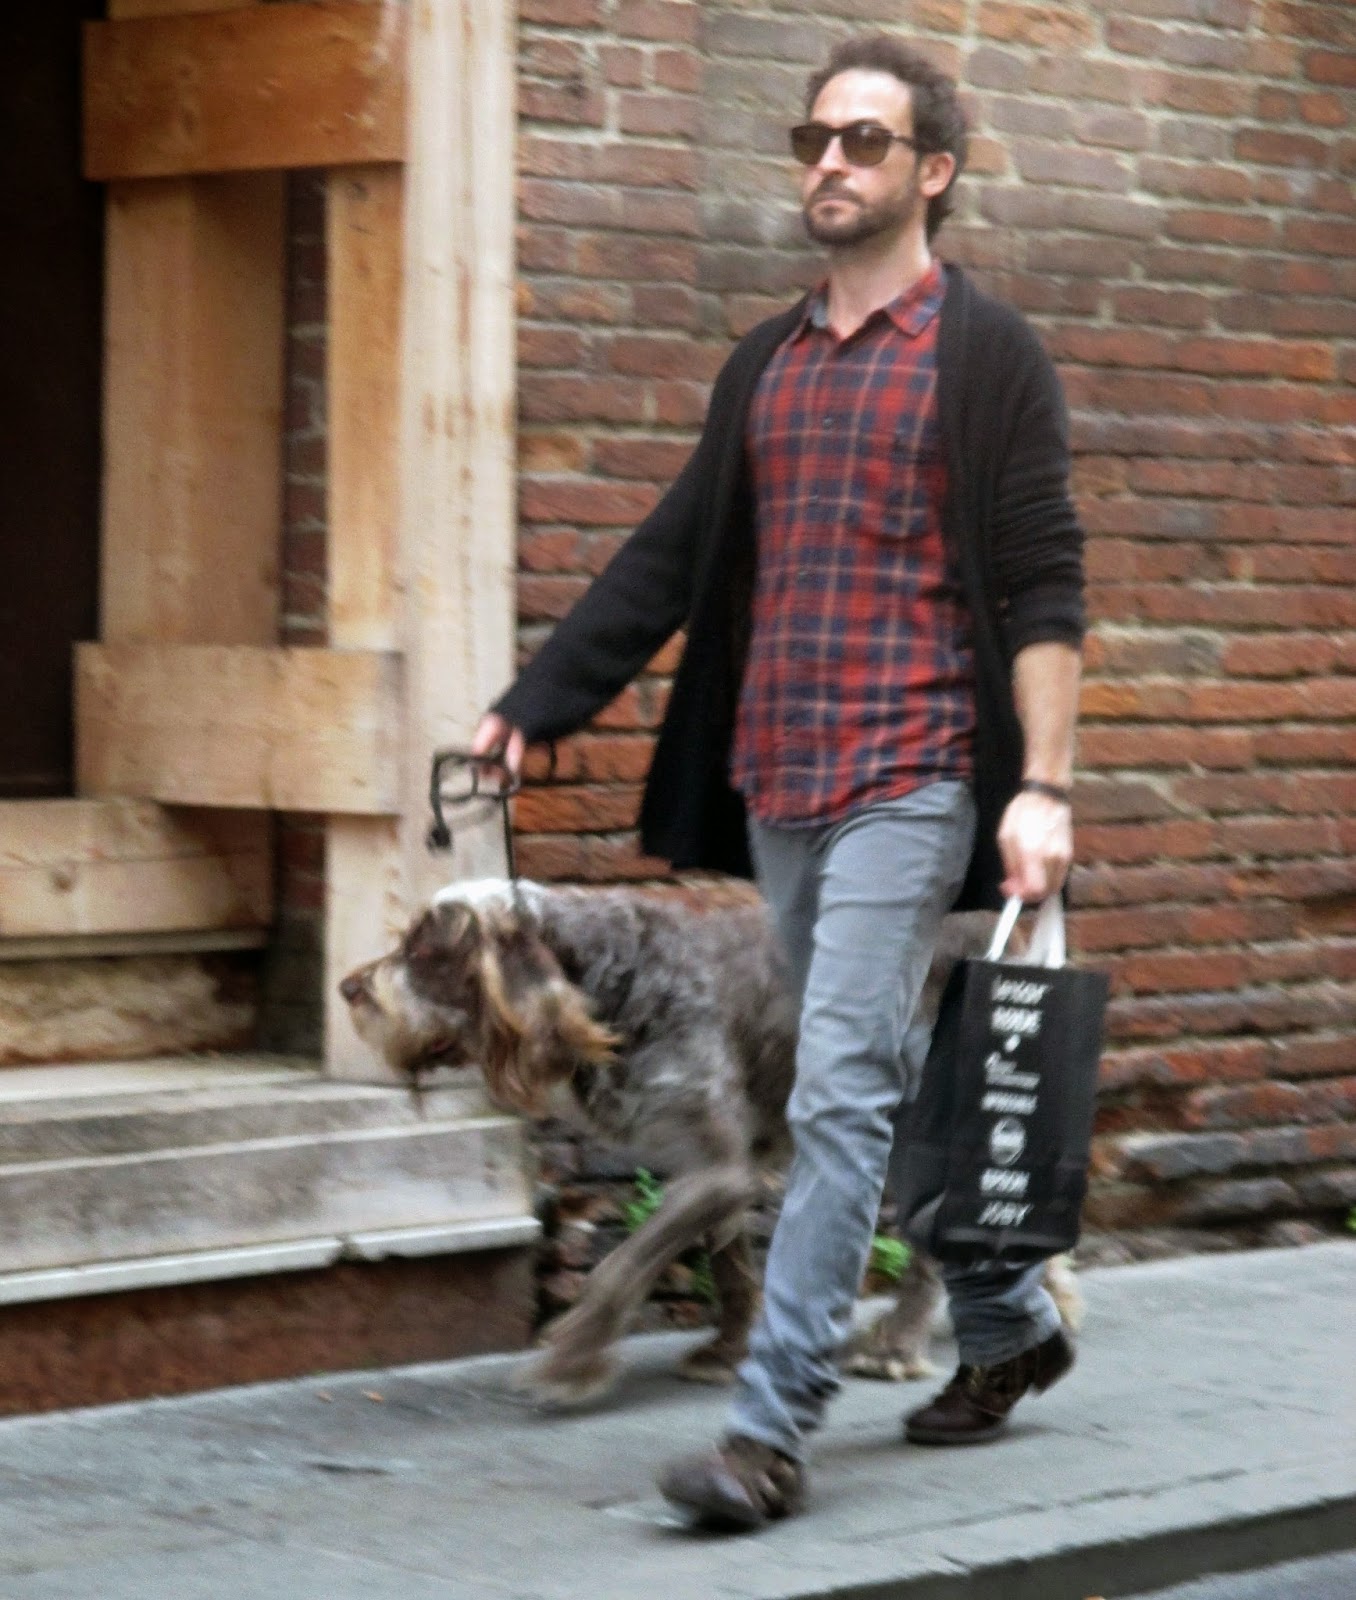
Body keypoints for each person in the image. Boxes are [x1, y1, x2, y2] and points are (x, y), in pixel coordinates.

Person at [473, 33, 1086, 1531]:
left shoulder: (984, 355)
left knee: (839, 1088)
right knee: (879, 1081)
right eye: (815, 137)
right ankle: (1010, 1321)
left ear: (932, 173)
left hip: (914, 776)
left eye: (865, 141)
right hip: (780, 780)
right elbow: (670, 554)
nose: (830, 161)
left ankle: (770, 1432)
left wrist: (1044, 785)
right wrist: (538, 704)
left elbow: (1043, 583)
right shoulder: (767, 361)